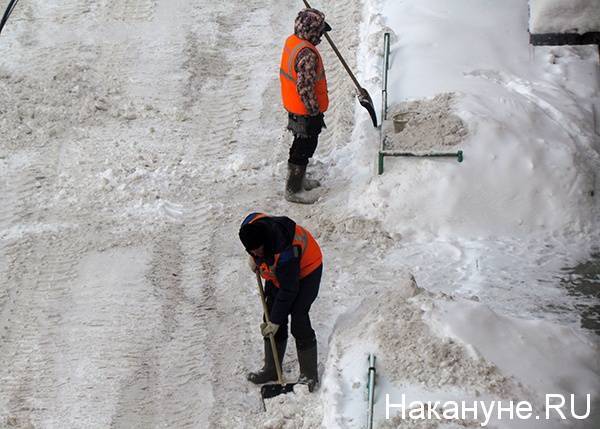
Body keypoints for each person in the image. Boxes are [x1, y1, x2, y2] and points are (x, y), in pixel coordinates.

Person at [239, 212, 323, 391]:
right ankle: (271, 369)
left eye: (258, 250)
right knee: (270, 313)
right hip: (281, 272)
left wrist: (276, 322)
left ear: (265, 242)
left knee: (298, 317)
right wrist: (256, 257)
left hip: (308, 268)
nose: (255, 253)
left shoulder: (284, 250)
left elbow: (289, 289)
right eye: (251, 250)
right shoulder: (250, 226)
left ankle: (309, 375)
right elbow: (255, 218)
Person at [279, 8, 331, 204]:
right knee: (304, 146)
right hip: (304, 110)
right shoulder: (307, 54)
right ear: (312, 32)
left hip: (295, 105)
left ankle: (299, 180)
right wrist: (314, 112)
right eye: (319, 32)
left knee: (302, 144)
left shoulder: (293, 41)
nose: (321, 37)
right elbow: (305, 88)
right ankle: (293, 189)